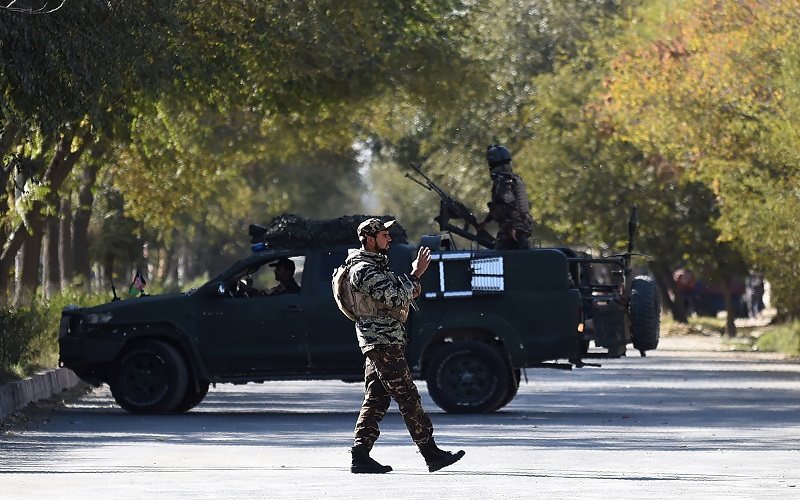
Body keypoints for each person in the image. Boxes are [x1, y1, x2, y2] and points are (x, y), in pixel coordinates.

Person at [345, 218, 465, 474]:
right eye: (384, 235)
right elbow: (398, 296)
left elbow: (405, 294)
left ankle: (360, 455)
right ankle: (431, 453)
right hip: (381, 342)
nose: (389, 239)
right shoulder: (363, 270)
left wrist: (411, 282)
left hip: (384, 340)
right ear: (369, 239)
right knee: (408, 396)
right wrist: (416, 274)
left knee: (376, 399)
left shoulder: (376, 266)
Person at [477, 144, 535, 250]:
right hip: (522, 225)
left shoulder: (502, 182)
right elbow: (498, 205)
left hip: (511, 229)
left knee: (499, 258)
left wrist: (517, 228)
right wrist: (486, 221)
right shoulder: (513, 178)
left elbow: (511, 205)